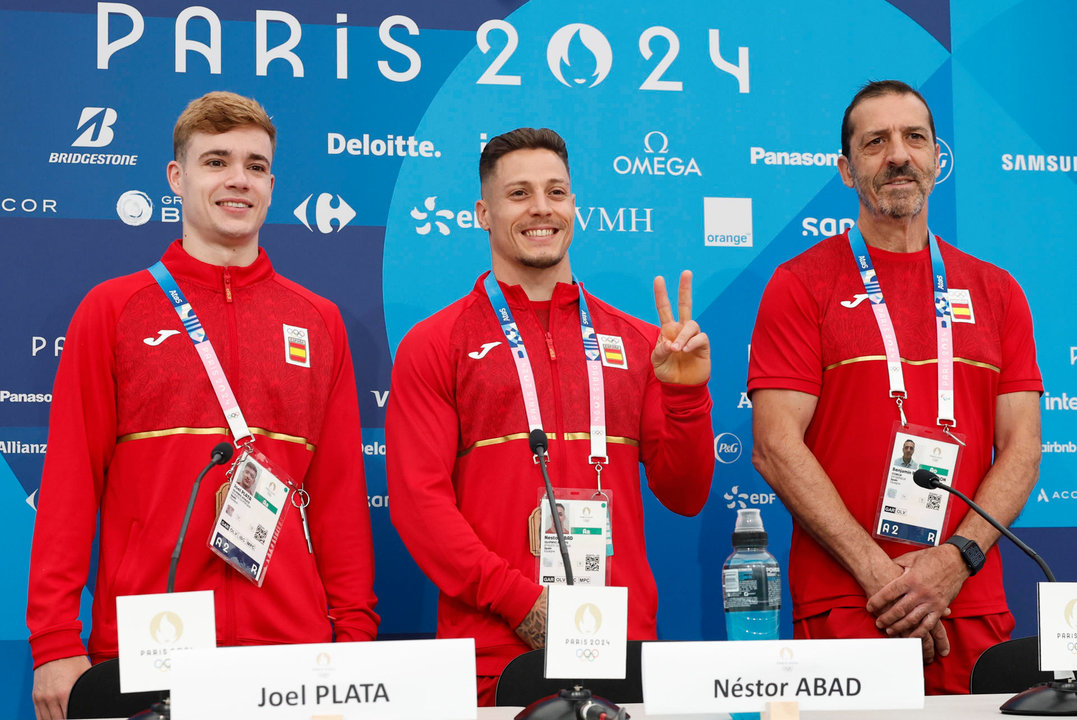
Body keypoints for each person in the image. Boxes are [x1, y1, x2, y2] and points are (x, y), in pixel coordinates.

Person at [27, 91, 379, 720]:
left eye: (255, 164)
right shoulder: (113, 310)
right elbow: (70, 484)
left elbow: (338, 496)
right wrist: (55, 641)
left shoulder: (318, 321)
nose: (238, 179)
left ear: (272, 183)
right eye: (216, 161)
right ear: (177, 177)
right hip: (150, 645)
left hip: (292, 654)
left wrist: (353, 639)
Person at [386, 127, 714, 704]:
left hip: (622, 648)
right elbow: (420, 506)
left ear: (574, 206)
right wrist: (523, 604)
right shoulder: (437, 343)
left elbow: (684, 494)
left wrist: (686, 398)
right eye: (519, 194)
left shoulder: (638, 341)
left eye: (556, 192)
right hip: (495, 655)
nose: (542, 208)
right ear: (483, 213)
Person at [748, 80, 1042, 694]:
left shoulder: (998, 291)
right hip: (850, 601)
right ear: (847, 170)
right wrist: (884, 579)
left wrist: (953, 561)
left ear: (938, 156)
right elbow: (775, 447)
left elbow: (1022, 449)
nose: (898, 155)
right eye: (875, 142)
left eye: (914, 137)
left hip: (970, 600)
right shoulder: (801, 285)